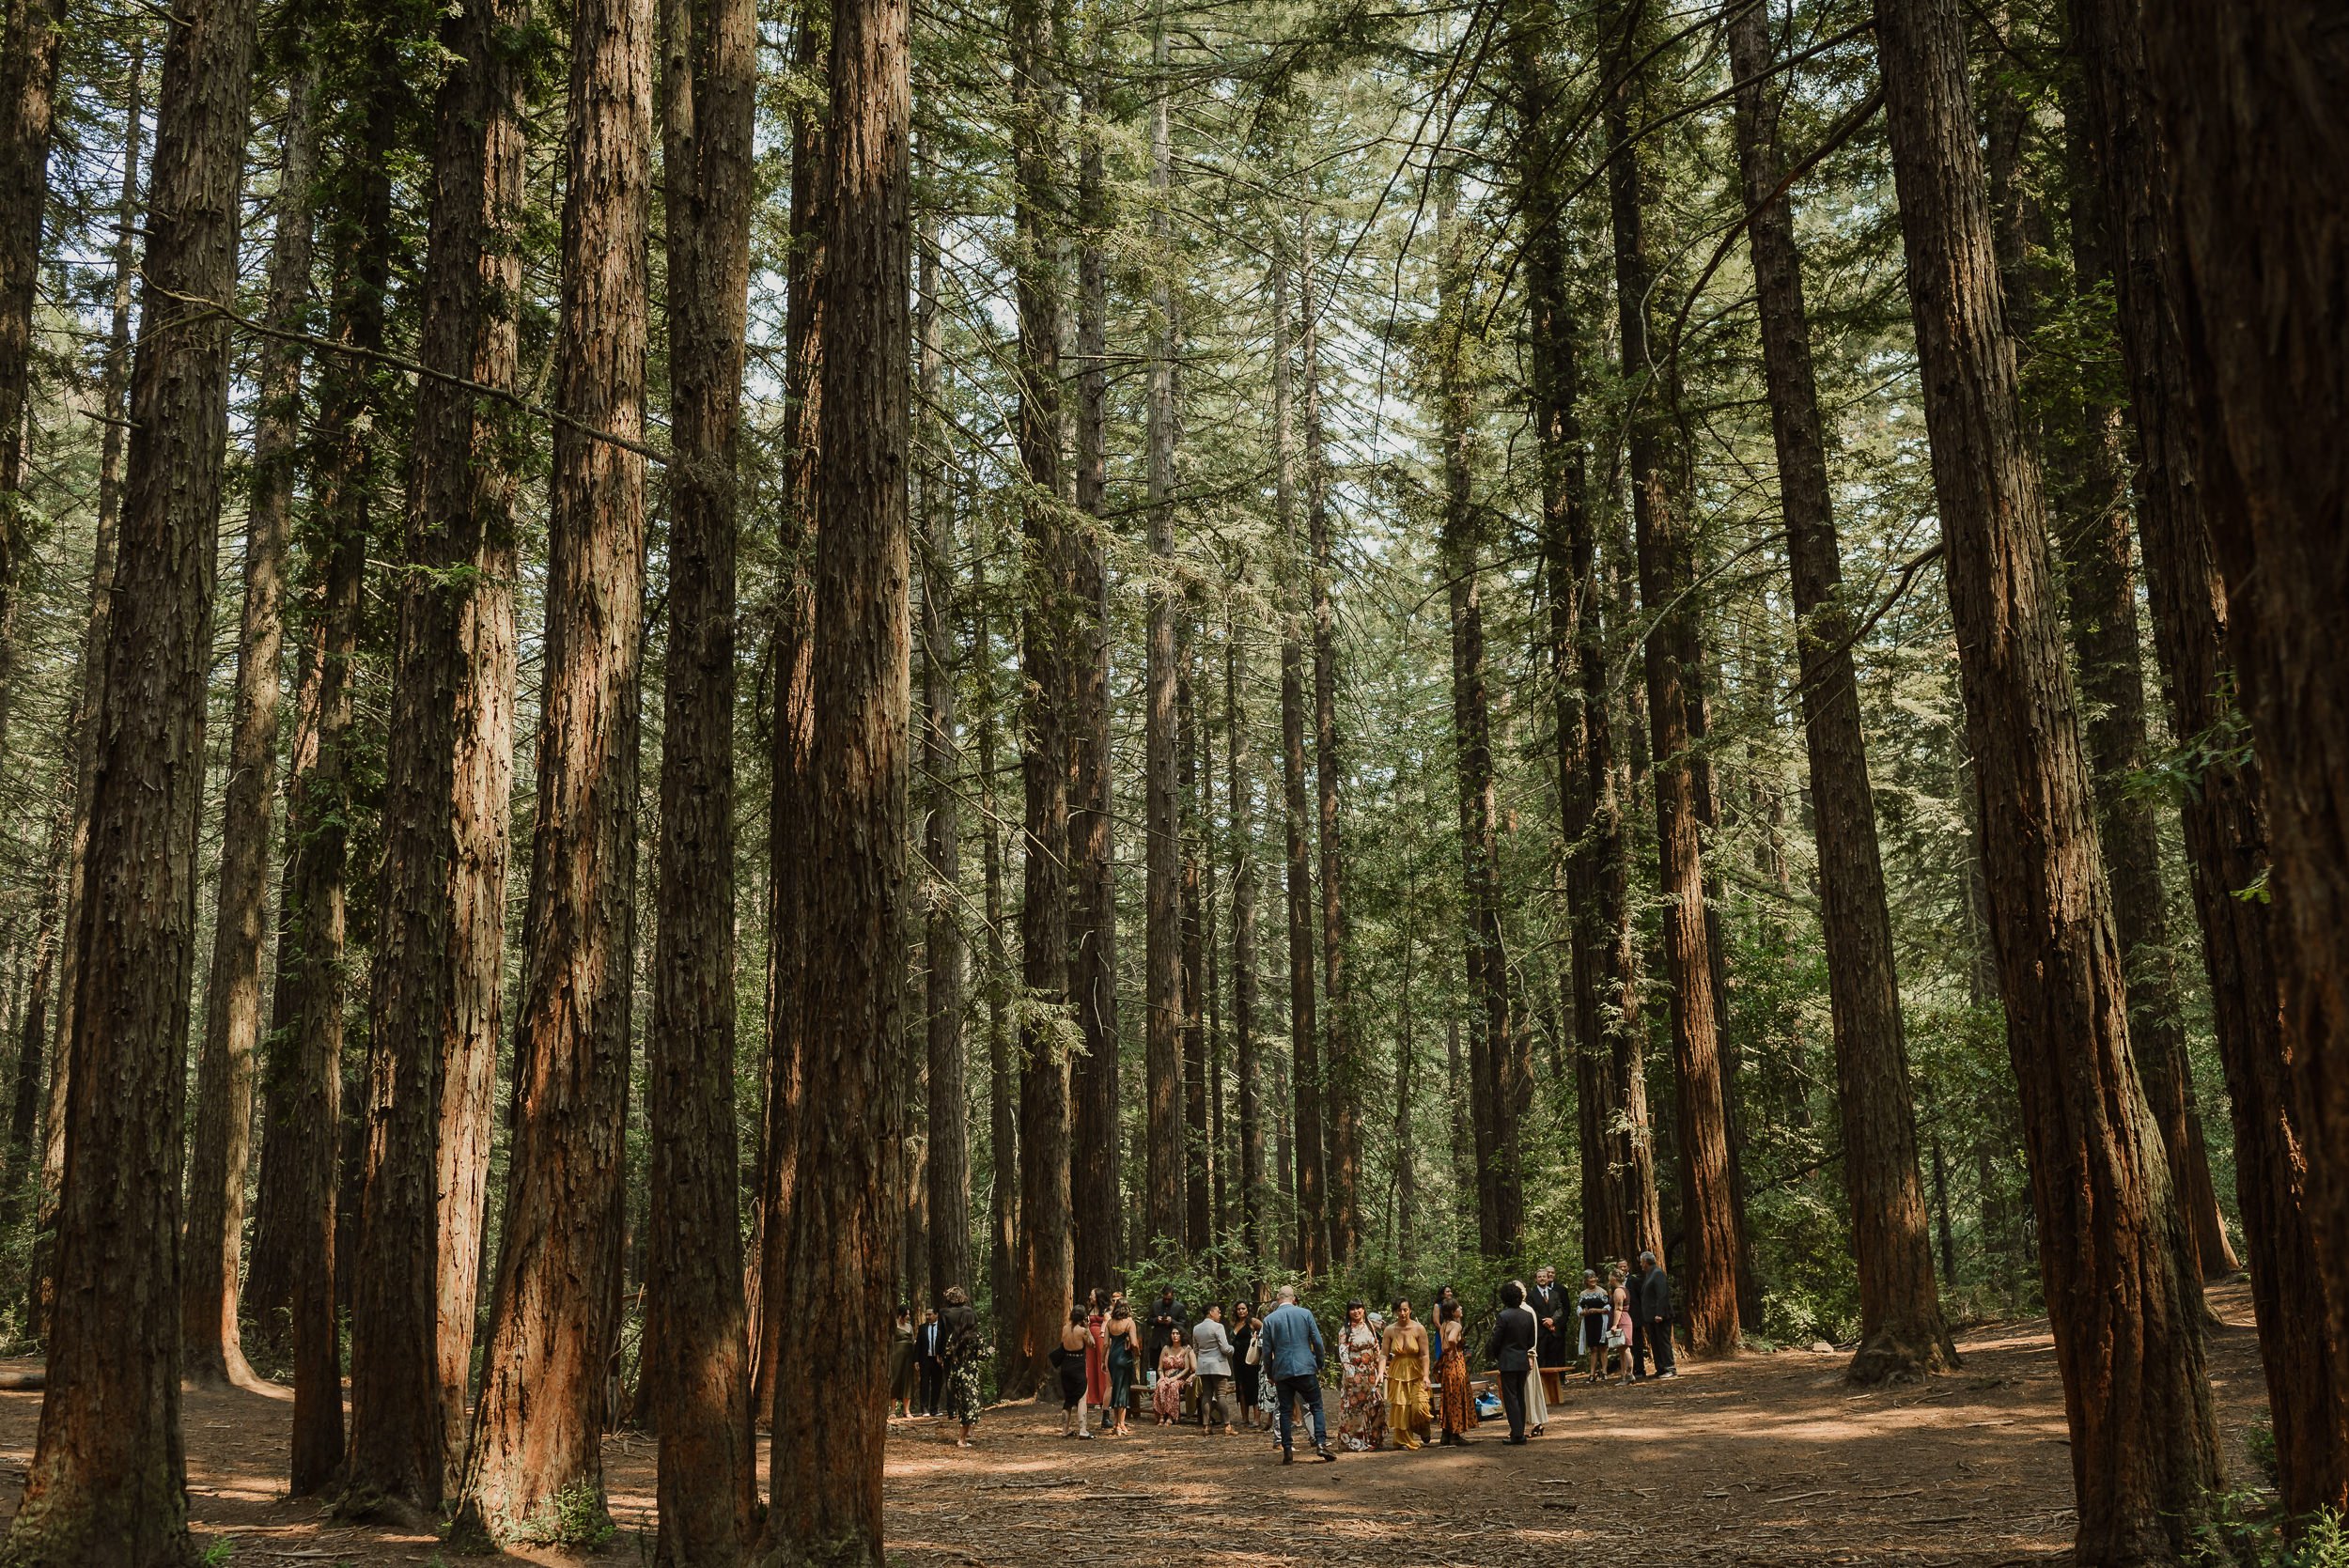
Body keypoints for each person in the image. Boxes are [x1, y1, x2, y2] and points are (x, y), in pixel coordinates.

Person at [1259, 1283, 1335, 1464]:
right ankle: (1321, 1443)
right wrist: (1319, 1363)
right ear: (1293, 1298)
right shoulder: (1305, 1313)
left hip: (1283, 1371)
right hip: (1305, 1368)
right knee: (1316, 1406)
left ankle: (1287, 1448)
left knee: (1285, 1410)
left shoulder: (1269, 1320)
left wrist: (1270, 1373)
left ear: (1278, 1299)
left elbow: (1266, 1351)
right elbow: (1317, 1341)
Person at [1485, 1281, 1537, 1444]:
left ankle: (1517, 1434)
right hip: (1522, 1360)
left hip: (1508, 1361)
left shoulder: (1503, 1316)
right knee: (1520, 1396)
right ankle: (1520, 1430)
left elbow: (1496, 1340)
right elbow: (1530, 1341)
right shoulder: (1528, 1315)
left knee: (1511, 1397)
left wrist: (1497, 1354)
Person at [1381, 1298, 1431, 1450]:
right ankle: (1402, 1440)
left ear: (1410, 1310)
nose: (1402, 1313)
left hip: (1416, 1370)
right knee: (1402, 1406)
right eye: (1399, 1310)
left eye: (1405, 1310)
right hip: (1397, 1370)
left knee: (1420, 1406)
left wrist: (1426, 1375)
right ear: (1395, 1312)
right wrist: (1381, 1370)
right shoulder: (1389, 1330)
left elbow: (1425, 1354)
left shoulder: (1419, 1329)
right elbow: (1383, 1354)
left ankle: (1422, 1427)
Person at [1336, 1301, 1386, 1452]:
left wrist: (1380, 1370)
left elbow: (1377, 1348)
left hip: (1370, 1374)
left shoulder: (1370, 1326)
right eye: (1352, 1309)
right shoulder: (1345, 1330)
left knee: (1375, 1405)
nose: (1356, 1311)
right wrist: (1351, 1375)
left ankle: (1374, 1439)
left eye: (1358, 1308)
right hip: (1353, 1376)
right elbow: (1343, 1354)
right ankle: (1355, 1442)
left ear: (1364, 1309)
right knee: (1354, 1409)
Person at [940, 1285, 984, 1447]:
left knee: (961, 1402)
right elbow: (983, 1354)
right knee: (971, 1402)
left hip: (956, 1368)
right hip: (970, 1372)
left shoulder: (952, 1332)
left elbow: (944, 1343)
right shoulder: (974, 1333)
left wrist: (941, 1355)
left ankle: (963, 1431)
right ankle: (963, 1437)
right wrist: (990, 1349)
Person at [1528, 1265, 1571, 1405]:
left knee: (1554, 1361)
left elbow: (1560, 1309)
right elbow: (1532, 1310)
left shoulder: (1555, 1294)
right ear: (1536, 1279)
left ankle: (1554, 1394)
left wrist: (1553, 1320)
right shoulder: (1531, 1295)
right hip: (1540, 1333)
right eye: (1539, 1276)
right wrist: (1544, 1321)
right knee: (1541, 1361)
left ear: (1548, 1278)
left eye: (1544, 1276)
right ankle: (1540, 1394)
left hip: (1554, 1332)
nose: (1542, 1279)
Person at [1511, 1281, 1549, 1436]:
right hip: (1516, 1357)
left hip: (1527, 1357)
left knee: (1530, 1390)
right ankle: (1525, 1424)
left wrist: (1531, 1354)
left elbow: (1533, 1334)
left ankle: (1536, 1422)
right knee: (1521, 1392)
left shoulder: (1528, 1310)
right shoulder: (1513, 1310)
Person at [1436, 1299, 1476, 1445]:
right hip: (1455, 1363)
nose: (1461, 1308)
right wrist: (1454, 1351)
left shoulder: (1443, 1326)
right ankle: (1455, 1434)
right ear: (1453, 1312)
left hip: (1446, 1363)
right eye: (1459, 1307)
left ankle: (1445, 1434)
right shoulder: (1456, 1325)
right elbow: (1452, 1339)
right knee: (1457, 1395)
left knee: (1448, 1395)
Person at [1634, 1250, 1678, 1380]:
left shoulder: (1657, 1273)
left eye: (1641, 1262)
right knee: (1655, 1343)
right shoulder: (1649, 1274)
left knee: (1663, 1342)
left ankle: (1670, 1368)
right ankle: (1661, 1368)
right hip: (1651, 1317)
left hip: (1660, 1316)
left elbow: (1662, 1295)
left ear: (1646, 1262)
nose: (1641, 1265)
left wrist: (1660, 1313)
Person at [1192, 1303, 1237, 1433]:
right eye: (1218, 1311)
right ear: (1211, 1312)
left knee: (1206, 1394)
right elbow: (1224, 1348)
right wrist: (1233, 1349)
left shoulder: (1196, 1328)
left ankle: (1206, 1426)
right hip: (1218, 1366)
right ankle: (1227, 1425)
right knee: (1221, 1394)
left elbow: (1196, 1349)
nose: (1220, 1314)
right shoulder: (1218, 1327)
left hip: (1203, 1366)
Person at [1105, 1296, 1142, 1436]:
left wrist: (1103, 1361)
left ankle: (1115, 1423)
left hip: (1113, 1358)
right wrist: (1137, 1353)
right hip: (1124, 1358)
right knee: (1123, 1390)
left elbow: (1105, 1344)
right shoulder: (1130, 1323)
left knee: (1116, 1388)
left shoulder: (1109, 1323)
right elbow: (1134, 1343)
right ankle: (1121, 1424)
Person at [1058, 1306, 1097, 1437]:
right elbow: (1092, 1344)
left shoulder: (1065, 1328)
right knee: (1081, 1398)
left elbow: (1062, 1343)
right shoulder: (1082, 1331)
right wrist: (1088, 1329)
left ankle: (1064, 1431)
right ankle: (1083, 1430)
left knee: (1068, 1399)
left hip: (1065, 1365)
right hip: (1078, 1365)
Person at [1154, 1326, 1194, 1425]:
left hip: (1180, 1378)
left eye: (1177, 1333)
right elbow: (1160, 1367)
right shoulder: (1166, 1348)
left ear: (1181, 1335)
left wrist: (1175, 1378)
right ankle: (1162, 1415)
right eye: (1173, 1333)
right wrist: (1162, 1377)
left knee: (1173, 1386)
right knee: (1161, 1385)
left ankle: (1171, 1416)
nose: (1175, 1336)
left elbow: (1187, 1368)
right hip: (1166, 1376)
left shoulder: (1186, 1349)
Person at [1230, 1301, 1262, 1429]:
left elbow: (1265, 1330)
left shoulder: (1253, 1322)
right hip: (1237, 1360)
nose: (1241, 1311)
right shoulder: (1235, 1323)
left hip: (1251, 1359)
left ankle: (1256, 1419)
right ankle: (1244, 1418)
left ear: (1248, 1310)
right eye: (1238, 1309)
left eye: (1243, 1308)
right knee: (1241, 1388)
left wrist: (1257, 1338)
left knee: (1253, 1387)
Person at [1577, 1270, 1611, 1383]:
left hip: (1601, 1321)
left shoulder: (1603, 1291)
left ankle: (1605, 1372)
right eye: (1590, 1278)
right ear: (1586, 1280)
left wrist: (1598, 1310)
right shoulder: (1583, 1293)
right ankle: (1592, 1373)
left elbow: (1608, 1306)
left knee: (1603, 1347)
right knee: (1593, 1348)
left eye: (1594, 1277)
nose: (1592, 1280)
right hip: (1589, 1322)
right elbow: (1579, 1307)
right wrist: (1582, 1312)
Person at [1085, 1288, 1112, 1431]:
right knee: (1091, 1367)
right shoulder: (1090, 1310)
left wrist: (1101, 1334)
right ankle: (1093, 1397)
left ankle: (1104, 1397)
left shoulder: (1106, 1310)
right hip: (1090, 1341)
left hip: (1101, 1339)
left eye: (1092, 1295)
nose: (1090, 1297)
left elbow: (1107, 1324)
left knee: (1102, 1367)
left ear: (1098, 1297)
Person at [914, 1306, 946, 1417]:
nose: (927, 1317)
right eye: (926, 1315)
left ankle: (934, 1409)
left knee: (937, 1384)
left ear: (936, 1315)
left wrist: (942, 1357)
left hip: (937, 1360)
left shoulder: (942, 1328)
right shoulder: (922, 1328)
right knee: (924, 1383)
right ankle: (924, 1408)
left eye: (930, 1314)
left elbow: (944, 1344)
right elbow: (918, 1345)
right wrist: (916, 1360)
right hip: (925, 1359)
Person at [887, 1304, 917, 1419]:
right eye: (906, 1314)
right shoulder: (894, 1324)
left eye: (909, 1314)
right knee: (895, 1379)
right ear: (901, 1314)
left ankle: (906, 1410)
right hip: (896, 1356)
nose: (908, 1316)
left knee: (907, 1381)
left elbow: (913, 1340)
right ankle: (893, 1410)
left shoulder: (909, 1326)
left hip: (908, 1356)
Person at [1147, 1285, 1189, 1369]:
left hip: (1171, 1342)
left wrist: (1172, 1322)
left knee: (1169, 1367)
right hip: (1156, 1342)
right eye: (1165, 1299)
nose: (1166, 1301)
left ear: (1173, 1296)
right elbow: (1148, 1320)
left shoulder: (1179, 1307)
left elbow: (1183, 1324)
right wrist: (1156, 1320)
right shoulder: (1156, 1304)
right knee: (1154, 1366)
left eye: (1169, 1299)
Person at [1609, 1264, 1634, 1385]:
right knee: (1622, 1349)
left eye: (1610, 1276)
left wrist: (1614, 1325)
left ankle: (1629, 1374)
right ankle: (1624, 1376)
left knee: (1625, 1348)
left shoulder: (1619, 1291)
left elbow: (1618, 1309)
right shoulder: (1623, 1289)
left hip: (1622, 1320)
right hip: (1624, 1319)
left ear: (1614, 1277)